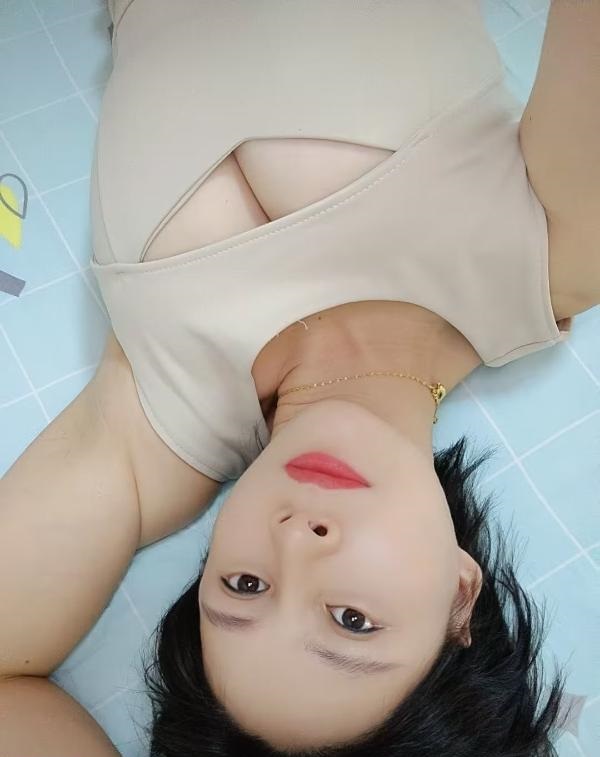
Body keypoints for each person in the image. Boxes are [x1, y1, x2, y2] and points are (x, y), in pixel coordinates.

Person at [1, 1, 598, 755]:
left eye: (245, 587)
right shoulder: (544, 260)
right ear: (459, 593)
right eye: (352, 620)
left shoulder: (158, 427)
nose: (296, 541)